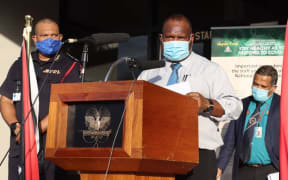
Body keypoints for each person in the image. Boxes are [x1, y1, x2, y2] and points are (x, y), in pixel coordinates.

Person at [137, 14, 243, 180]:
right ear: (161, 39)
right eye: (170, 37)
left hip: (198, 154)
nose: (175, 41)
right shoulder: (148, 73)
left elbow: (235, 106)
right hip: (155, 153)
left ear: (191, 39)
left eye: (181, 38)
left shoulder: (210, 70)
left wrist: (206, 104)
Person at [0, 18, 81, 180]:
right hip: (21, 144)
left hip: (51, 149)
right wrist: (16, 126)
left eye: (54, 35)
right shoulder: (22, 64)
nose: (50, 39)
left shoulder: (71, 66)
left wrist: (33, 131)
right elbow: (5, 100)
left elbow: (67, 105)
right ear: (34, 39)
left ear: (60, 37)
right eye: (44, 35)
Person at [217, 65, 280, 180]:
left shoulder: (282, 106)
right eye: (255, 84)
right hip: (244, 170)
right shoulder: (243, 104)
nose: (258, 88)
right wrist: (220, 167)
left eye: (263, 86)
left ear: (274, 88)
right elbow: (230, 141)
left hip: (271, 170)